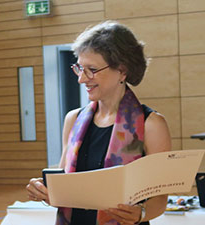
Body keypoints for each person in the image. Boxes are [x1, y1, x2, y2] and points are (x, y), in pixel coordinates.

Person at [26, 21, 171, 225]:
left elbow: (160, 199)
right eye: (79, 68)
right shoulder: (73, 119)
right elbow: (63, 188)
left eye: (92, 69)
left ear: (122, 71)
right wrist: (42, 189)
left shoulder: (151, 124)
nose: (81, 79)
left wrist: (141, 213)